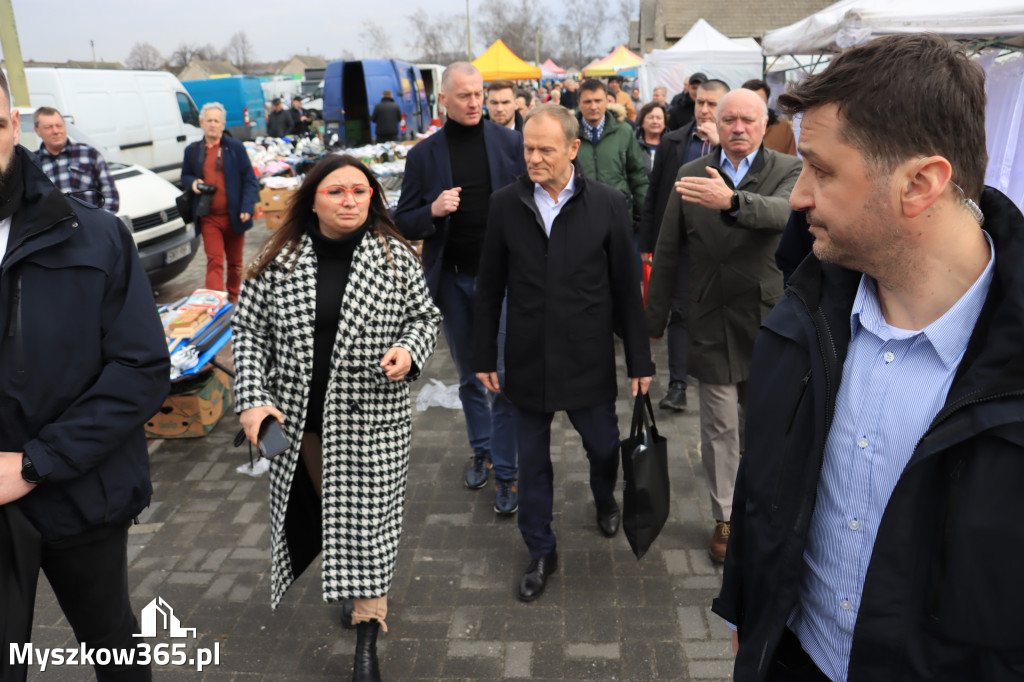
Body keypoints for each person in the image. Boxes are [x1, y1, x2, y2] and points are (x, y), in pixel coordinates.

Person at [714, 33, 1024, 682]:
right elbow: (762, 508)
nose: (798, 198)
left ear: (921, 183)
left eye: (821, 170)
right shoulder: (801, 316)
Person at [232, 154, 441, 682]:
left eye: (359, 191)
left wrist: (409, 351)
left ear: (373, 196)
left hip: (375, 423)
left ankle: (367, 635)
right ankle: (343, 581)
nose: (349, 201)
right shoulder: (277, 258)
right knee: (321, 512)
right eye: (336, 192)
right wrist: (253, 399)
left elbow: (425, 317)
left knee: (369, 528)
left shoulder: (395, 256)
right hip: (297, 426)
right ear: (313, 199)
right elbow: (251, 334)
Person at [0, 70, 169, 681]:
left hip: (79, 493)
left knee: (112, 643)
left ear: (13, 126)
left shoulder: (96, 237)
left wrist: (34, 463)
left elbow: (141, 367)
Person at [472, 104, 654, 602]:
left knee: (602, 447)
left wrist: (640, 361)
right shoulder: (506, 204)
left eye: (544, 150)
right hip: (527, 357)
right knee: (532, 462)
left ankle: (603, 496)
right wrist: (484, 355)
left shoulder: (609, 204)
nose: (533, 158)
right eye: (527, 148)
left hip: (588, 356)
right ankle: (540, 550)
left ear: (573, 149)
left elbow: (625, 288)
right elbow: (489, 288)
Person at [645, 88, 801, 564]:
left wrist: (732, 201)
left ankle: (764, 507)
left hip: (766, 318)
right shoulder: (691, 173)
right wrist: (649, 325)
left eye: (746, 120)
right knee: (717, 427)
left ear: (763, 124)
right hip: (709, 317)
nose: (736, 127)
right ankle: (726, 517)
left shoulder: (786, 169)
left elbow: (784, 213)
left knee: (765, 423)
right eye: (728, 118)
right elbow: (668, 249)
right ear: (714, 120)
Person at [395, 62, 524, 514]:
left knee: (502, 378)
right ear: (444, 100)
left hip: (505, 282)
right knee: (470, 376)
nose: (474, 103)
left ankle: (508, 474)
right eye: (464, 96)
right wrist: (432, 210)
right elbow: (401, 219)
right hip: (452, 279)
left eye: (479, 94)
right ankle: (483, 450)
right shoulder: (424, 155)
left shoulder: (510, 142)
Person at [639, 79, 729, 413]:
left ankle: (716, 378)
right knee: (678, 314)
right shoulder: (674, 141)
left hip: (721, 248)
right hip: (681, 243)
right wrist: (649, 242)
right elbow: (654, 194)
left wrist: (721, 145)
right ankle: (678, 384)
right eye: (700, 102)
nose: (704, 109)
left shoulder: (734, 146)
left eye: (712, 104)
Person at [180, 102, 260, 303]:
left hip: (234, 216)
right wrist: (194, 183)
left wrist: (247, 207)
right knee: (214, 261)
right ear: (201, 123)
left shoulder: (235, 148)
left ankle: (234, 299)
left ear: (223, 124)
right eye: (209, 120)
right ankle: (215, 303)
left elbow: (249, 179)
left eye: (217, 121)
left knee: (236, 263)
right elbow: (185, 176)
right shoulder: (193, 150)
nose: (213, 125)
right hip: (209, 217)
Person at [575, 79, 648, 257]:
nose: (593, 106)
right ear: (578, 104)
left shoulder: (624, 131)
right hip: (579, 215)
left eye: (598, 101)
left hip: (617, 214)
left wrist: (648, 214)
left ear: (607, 102)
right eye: (587, 101)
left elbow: (638, 175)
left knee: (619, 271)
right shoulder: (568, 133)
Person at [32, 106, 118, 212]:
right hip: (55, 228)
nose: (55, 131)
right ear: (37, 131)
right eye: (48, 127)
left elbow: (110, 194)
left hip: (90, 226)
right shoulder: (32, 163)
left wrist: (101, 223)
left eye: (59, 126)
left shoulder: (89, 154)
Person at [741, 79, 796, 156]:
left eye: (761, 100)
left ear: (767, 102)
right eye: (750, 100)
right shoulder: (735, 127)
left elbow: (793, 160)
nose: (755, 105)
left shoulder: (783, 128)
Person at [636, 101, 668, 172]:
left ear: (664, 122)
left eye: (659, 118)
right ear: (642, 121)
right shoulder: (633, 142)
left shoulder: (672, 144)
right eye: (650, 117)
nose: (655, 121)